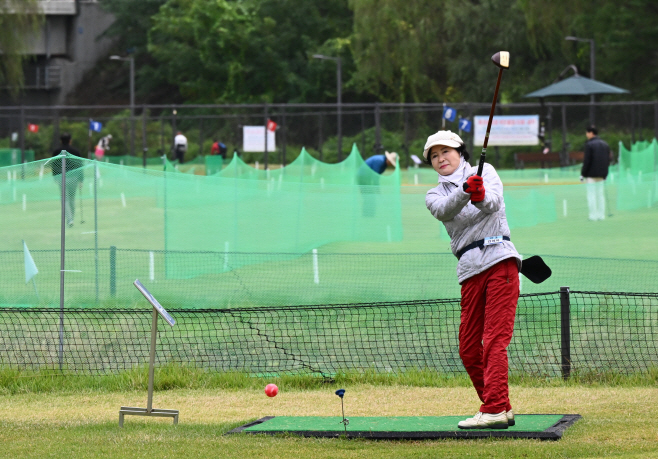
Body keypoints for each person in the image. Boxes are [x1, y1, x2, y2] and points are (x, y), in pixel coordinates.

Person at [424, 130, 521, 430]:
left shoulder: (486, 171)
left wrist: (478, 193)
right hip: (469, 269)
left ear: (460, 152)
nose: (441, 159)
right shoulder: (434, 194)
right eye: (434, 156)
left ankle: (491, 408)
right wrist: (467, 190)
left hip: (499, 260)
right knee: (468, 347)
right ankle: (501, 407)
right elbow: (447, 211)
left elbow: (492, 204)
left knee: (493, 340)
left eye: (446, 152)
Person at [51, 133, 85, 227]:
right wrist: (81, 179)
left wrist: (55, 177)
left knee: (64, 199)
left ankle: (70, 219)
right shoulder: (75, 151)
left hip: (62, 178)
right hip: (74, 178)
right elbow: (79, 166)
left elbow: (54, 165)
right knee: (72, 199)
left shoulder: (57, 151)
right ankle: (71, 218)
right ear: (70, 140)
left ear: (61, 141)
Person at [580, 126, 611, 221]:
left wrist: (583, 174)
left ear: (591, 133)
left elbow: (587, 161)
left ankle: (593, 216)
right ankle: (601, 216)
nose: (586, 135)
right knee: (600, 195)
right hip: (602, 174)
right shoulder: (605, 144)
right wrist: (605, 173)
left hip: (591, 175)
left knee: (591, 195)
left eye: (587, 133)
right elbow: (608, 160)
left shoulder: (589, 145)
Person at [357, 151, 398, 216]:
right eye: (391, 163)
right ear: (389, 160)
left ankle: (369, 216)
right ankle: (367, 216)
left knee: (371, 196)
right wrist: (377, 190)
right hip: (362, 177)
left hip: (368, 178)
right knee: (369, 196)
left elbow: (376, 176)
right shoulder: (379, 161)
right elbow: (375, 177)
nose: (391, 165)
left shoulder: (384, 164)